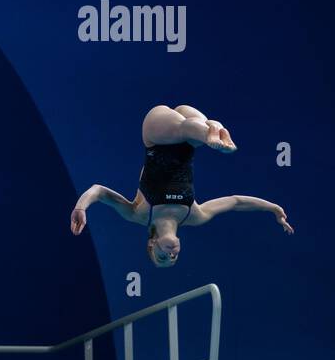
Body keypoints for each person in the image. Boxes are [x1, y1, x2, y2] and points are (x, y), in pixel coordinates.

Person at [70, 105, 293, 267]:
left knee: (186, 129)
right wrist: (273, 208)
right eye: (174, 258)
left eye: (162, 257)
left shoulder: (138, 215)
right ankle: (213, 130)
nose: (171, 254)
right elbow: (235, 202)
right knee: (196, 129)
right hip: (189, 141)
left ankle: (212, 132)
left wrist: (81, 207)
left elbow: (98, 191)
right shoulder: (195, 216)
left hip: (156, 135)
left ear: (152, 245)